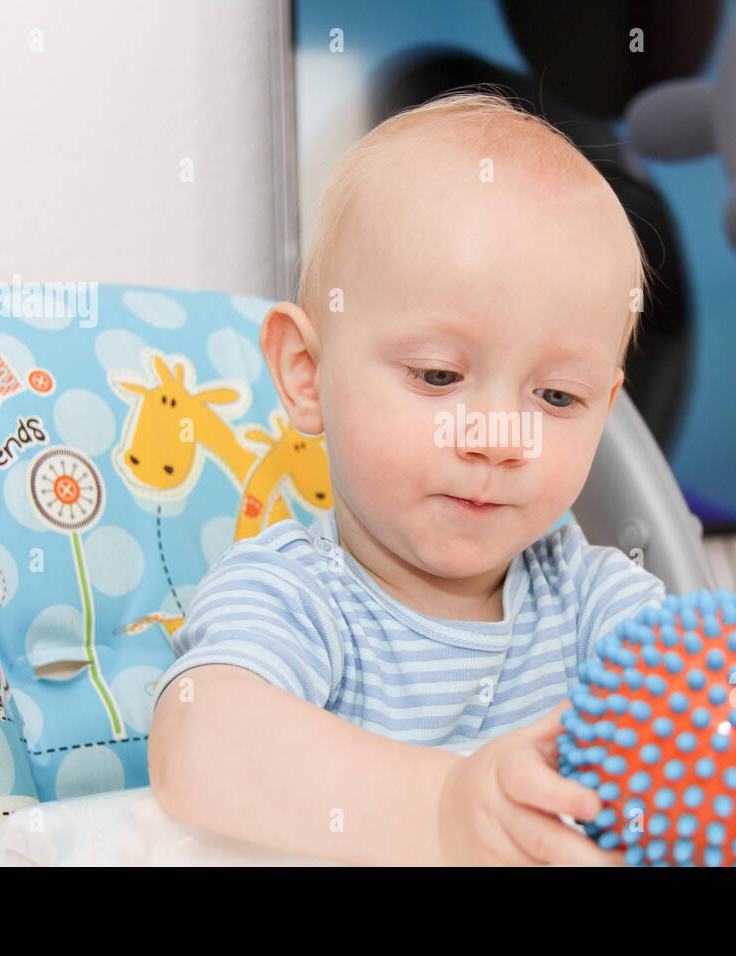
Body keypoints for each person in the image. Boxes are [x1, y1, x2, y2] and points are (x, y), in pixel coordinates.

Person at [148, 91, 667, 865]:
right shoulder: (296, 595)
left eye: (557, 397)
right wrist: (445, 806)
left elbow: (712, 716)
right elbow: (200, 741)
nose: (497, 439)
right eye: (436, 375)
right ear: (306, 374)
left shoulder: (594, 602)